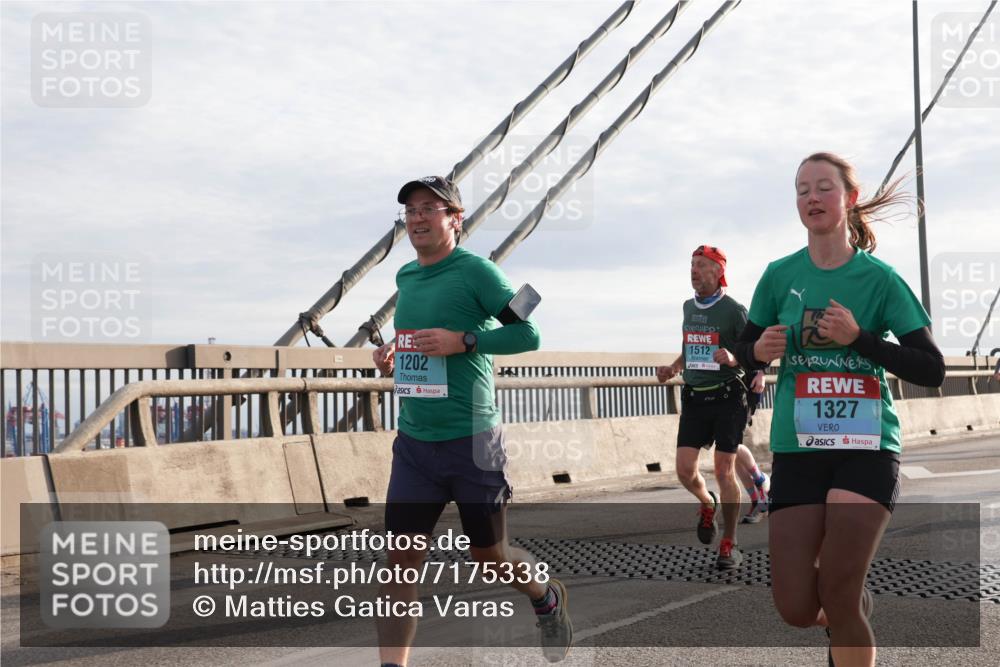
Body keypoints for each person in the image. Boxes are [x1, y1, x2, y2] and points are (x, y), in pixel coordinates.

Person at [734, 153, 945, 667]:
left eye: (823, 187)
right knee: (795, 607)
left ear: (849, 199)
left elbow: (932, 368)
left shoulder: (880, 279)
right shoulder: (779, 275)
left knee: (839, 590)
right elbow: (742, 350)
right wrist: (756, 351)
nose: (811, 197)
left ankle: (849, 609)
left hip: (866, 449)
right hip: (799, 449)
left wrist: (861, 339)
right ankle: (850, 609)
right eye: (802, 189)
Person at [372, 176, 572, 666]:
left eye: (429, 208)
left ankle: (545, 594)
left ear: (455, 219)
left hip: (472, 441)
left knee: (490, 558)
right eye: (411, 210)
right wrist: (396, 351)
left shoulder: (478, 272)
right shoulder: (406, 277)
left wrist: (464, 341)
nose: (417, 218)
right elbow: (421, 334)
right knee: (399, 566)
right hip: (415, 444)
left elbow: (528, 334)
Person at [656, 245, 769, 570]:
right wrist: (673, 368)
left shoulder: (734, 310)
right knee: (685, 471)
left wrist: (734, 358)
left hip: (728, 397)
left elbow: (753, 351)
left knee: (723, 470)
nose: (694, 270)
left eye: (702, 265)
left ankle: (729, 542)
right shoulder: (687, 307)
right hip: (695, 397)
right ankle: (708, 502)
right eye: (692, 264)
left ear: (718, 271)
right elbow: (689, 349)